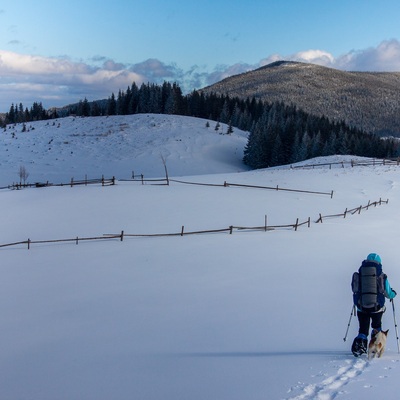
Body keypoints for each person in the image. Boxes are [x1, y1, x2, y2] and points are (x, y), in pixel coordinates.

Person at [351, 253, 396, 357]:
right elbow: (388, 292)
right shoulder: (381, 275)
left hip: (361, 307)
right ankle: (376, 344)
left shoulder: (360, 274)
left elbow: (355, 289)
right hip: (376, 308)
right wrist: (393, 294)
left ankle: (360, 345)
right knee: (376, 326)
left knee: (363, 329)